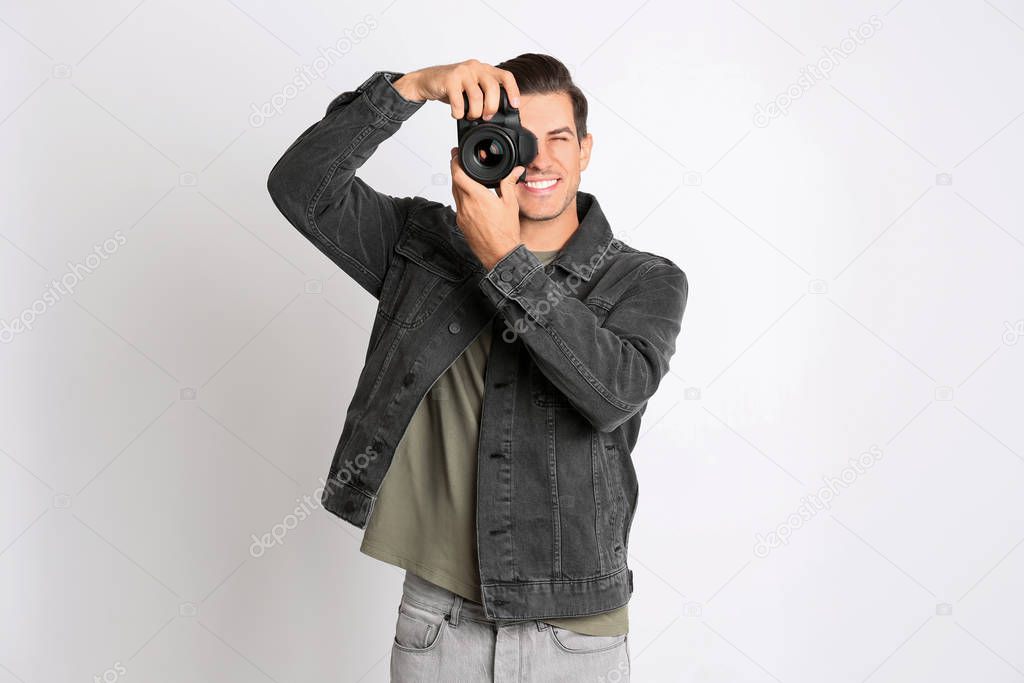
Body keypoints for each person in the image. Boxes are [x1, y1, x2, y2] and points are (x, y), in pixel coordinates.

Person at [267, 53, 688, 681]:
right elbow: (301, 186)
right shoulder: (423, 244)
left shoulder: (645, 280)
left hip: (572, 633)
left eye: (559, 139)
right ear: (482, 147)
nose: (540, 160)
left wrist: (503, 255)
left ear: (586, 150)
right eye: (521, 140)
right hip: (439, 621)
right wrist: (411, 88)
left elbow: (614, 393)